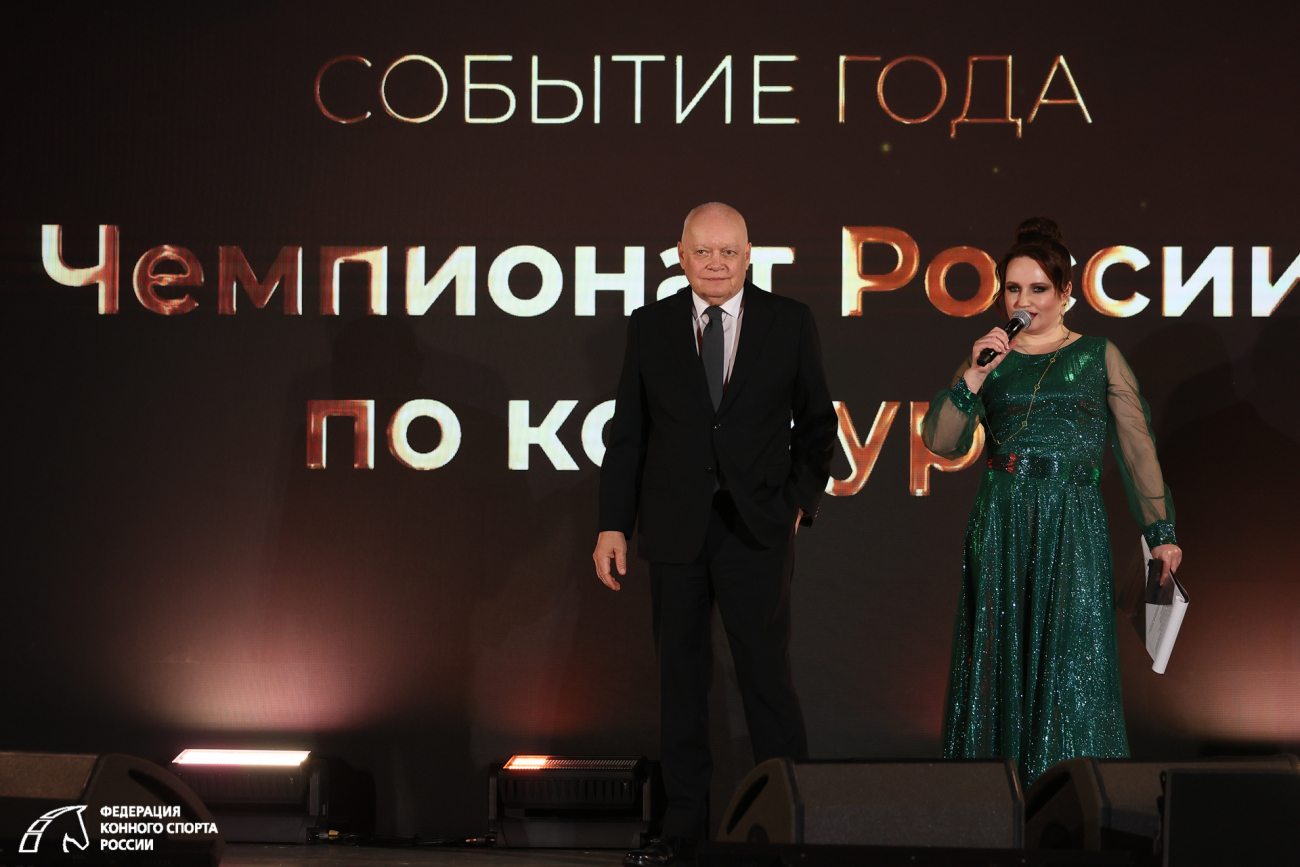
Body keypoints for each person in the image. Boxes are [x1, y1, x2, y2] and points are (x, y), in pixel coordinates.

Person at [594, 203, 836, 864]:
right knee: (680, 681)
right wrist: (613, 523)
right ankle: (684, 830)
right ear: (681, 255)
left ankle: (792, 824)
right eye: (703, 252)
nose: (717, 264)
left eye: (729, 252)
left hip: (756, 528)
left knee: (767, 680)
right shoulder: (649, 326)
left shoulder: (789, 321)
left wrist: (796, 503)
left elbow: (819, 425)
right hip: (674, 529)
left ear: (749, 254)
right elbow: (628, 434)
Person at [921, 217, 1183, 784]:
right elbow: (940, 442)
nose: (1023, 302)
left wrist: (1161, 533)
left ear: (1065, 292)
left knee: (1073, 660)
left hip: (1072, 521)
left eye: (1038, 289)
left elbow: (1137, 448)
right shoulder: (989, 359)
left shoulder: (1097, 355)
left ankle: (1072, 794)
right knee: (1000, 656)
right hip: (1003, 521)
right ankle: (993, 793)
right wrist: (972, 379)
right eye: (1013, 289)